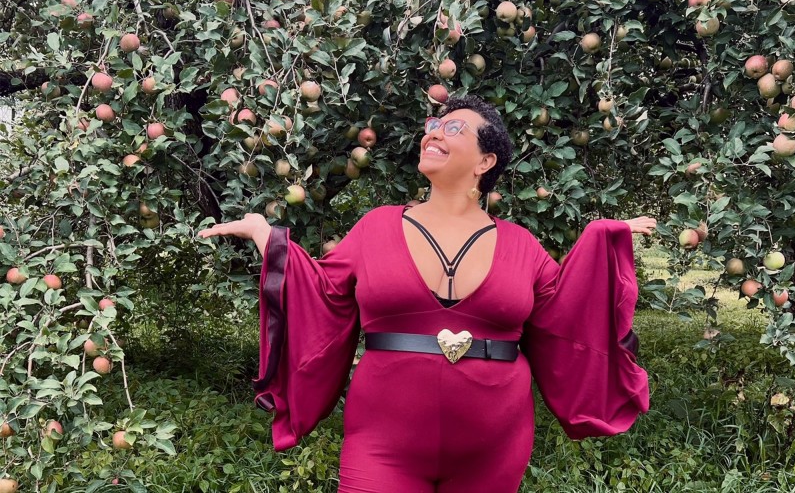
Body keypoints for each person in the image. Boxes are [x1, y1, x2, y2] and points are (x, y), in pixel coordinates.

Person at [198, 95, 655, 493]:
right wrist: (266, 235)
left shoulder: (522, 245)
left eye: (453, 127)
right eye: (433, 126)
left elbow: (568, 315)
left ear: (485, 161)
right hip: (382, 442)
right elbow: (318, 290)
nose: (434, 133)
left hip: (495, 447)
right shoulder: (375, 227)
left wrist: (601, 242)